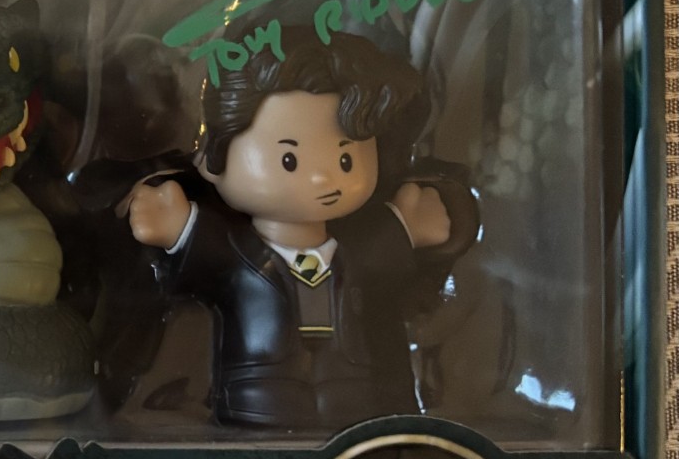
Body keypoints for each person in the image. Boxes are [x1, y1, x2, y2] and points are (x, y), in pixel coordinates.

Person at [122, 30, 475, 431]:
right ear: (211, 158)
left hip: (357, 400)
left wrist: (409, 225)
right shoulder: (237, 257)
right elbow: (205, 256)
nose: (322, 178)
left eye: (345, 159)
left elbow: (382, 256)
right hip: (257, 400)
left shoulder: (357, 251)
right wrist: (178, 228)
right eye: (289, 160)